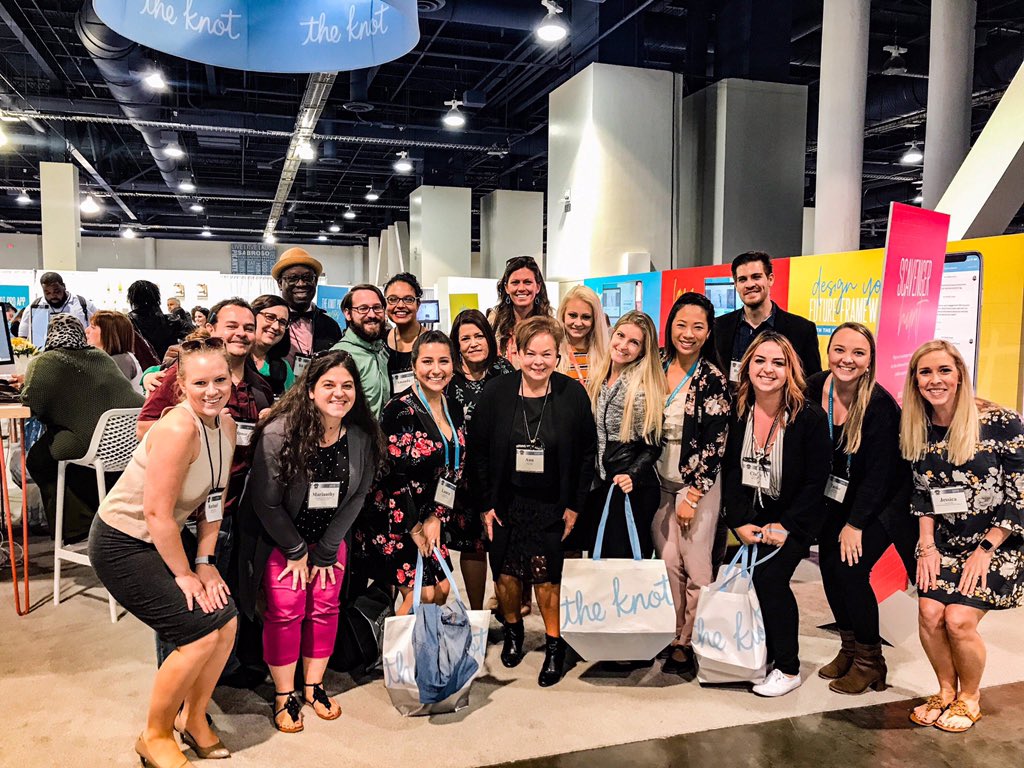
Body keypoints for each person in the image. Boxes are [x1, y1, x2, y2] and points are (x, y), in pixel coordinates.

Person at [88, 338, 238, 768]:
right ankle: (153, 734)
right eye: (200, 382)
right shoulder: (176, 429)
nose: (212, 390)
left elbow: (214, 501)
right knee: (199, 633)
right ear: (181, 387)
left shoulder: (225, 426)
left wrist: (206, 563)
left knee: (225, 623)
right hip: (123, 541)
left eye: (220, 380)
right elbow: (155, 514)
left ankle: (194, 719)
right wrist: (186, 574)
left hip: (165, 537)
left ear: (231, 379)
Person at [237, 350, 384, 733]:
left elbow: (358, 495)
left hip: (328, 539)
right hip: (281, 538)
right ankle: (284, 694)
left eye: (347, 386)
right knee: (285, 610)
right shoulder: (279, 432)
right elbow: (265, 502)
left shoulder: (361, 435)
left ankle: (313, 685)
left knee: (325, 607)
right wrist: (297, 550)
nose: (339, 393)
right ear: (311, 391)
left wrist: (326, 549)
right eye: (329, 385)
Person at [901, 340, 1024, 732]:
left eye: (944, 371)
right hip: (947, 540)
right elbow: (923, 495)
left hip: (1000, 541)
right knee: (929, 611)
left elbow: (1020, 495)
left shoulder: (1002, 422)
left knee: (957, 619)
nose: (934, 380)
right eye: (925, 372)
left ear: (959, 376)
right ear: (915, 380)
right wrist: (926, 547)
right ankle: (944, 690)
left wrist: (986, 549)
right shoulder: (918, 424)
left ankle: (970, 696)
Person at [468, 315, 597, 687]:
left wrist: (575, 504)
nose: (538, 361)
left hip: (552, 503)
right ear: (517, 354)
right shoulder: (497, 392)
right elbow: (477, 451)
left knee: (546, 576)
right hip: (506, 500)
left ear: (558, 355)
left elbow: (588, 452)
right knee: (506, 575)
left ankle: (555, 646)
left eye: (547, 354)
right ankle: (513, 631)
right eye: (531, 353)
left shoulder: (572, 394)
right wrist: (486, 504)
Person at [806, 323, 915, 695]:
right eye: (839, 350)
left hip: (882, 502)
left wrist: (855, 524)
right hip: (835, 497)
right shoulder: (813, 387)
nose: (846, 359)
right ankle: (849, 648)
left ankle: (871, 662)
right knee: (830, 571)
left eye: (857, 353)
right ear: (828, 352)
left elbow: (882, 475)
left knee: (851, 571)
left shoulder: (880, 406)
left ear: (870, 361)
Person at [722, 331, 831, 697]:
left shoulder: (810, 417)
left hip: (794, 519)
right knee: (740, 577)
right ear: (747, 365)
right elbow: (731, 472)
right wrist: (738, 521)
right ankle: (759, 653)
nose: (768, 369)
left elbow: (817, 482)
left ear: (791, 370)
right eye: (760, 361)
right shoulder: (737, 411)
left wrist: (785, 526)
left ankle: (788, 667)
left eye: (778, 362)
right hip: (751, 514)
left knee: (770, 579)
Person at [652, 293, 730, 676]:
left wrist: (694, 494)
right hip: (660, 484)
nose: (688, 333)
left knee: (697, 569)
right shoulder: (657, 366)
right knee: (668, 563)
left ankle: (691, 640)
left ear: (708, 331)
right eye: (681, 324)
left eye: (698, 326)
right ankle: (672, 632)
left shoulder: (711, 379)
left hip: (696, 486)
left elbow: (717, 443)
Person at [362, 330, 467, 615]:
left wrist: (437, 516)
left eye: (444, 361)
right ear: (414, 365)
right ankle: (399, 656)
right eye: (427, 362)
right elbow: (391, 476)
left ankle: (423, 649)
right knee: (422, 594)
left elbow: (455, 467)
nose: (436, 370)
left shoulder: (454, 408)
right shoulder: (399, 410)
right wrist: (416, 527)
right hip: (397, 516)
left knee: (443, 590)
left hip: (431, 512)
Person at [20, 314, 144, 542]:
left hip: (93, 446)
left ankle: (75, 528)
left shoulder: (45, 361)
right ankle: (93, 520)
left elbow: (34, 402)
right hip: (128, 443)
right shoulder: (100, 357)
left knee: (39, 458)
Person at [445, 309, 515, 609]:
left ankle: (507, 611)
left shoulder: (505, 371)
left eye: (479, 336)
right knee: (472, 546)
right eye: (465, 338)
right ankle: (476, 614)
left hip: (502, 474)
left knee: (503, 543)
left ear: (489, 338)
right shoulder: (448, 375)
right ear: (456, 344)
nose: (473, 343)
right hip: (463, 478)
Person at [584, 310, 665, 560]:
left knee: (623, 563)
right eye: (620, 335)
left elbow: (653, 444)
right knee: (602, 559)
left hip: (631, 488)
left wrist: (632, 474)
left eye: (634, 342)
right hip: (603, 484)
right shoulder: (601, 375)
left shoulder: (642, 388)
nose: (623, 345)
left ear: (643, 350)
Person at [714, 252, 820, 386]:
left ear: (770, 279)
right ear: (736, 284)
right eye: (742, 279)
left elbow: (812, 383)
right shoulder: (718, 326)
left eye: (756, 277)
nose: (750, 284)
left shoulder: (802, 330)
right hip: (731, 406)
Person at [268, 248, 342, 375]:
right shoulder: (268, 323)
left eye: (307, 278)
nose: (301, 284)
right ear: (280, 283)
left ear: (316, 282)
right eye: (292, 278)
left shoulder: (330, 326)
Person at [332, 284, 389, 418]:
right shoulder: (338, 357)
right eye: (362, 309)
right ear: (348, 313)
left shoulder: (381, 350)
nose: (372, 314)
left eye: (377, 308)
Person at [489, 255, 552, 368]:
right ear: (506, 287)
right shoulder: (494, 322)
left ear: (538, 287)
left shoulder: (549, 324)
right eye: (515, 282)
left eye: (527, 282)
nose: (521, 288)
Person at [18, 271, 97, 347]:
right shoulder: (34, 307)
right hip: (45, 356)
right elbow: (22, 338)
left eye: (56, 291)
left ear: (64, 286)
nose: (52, 296)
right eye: (47, 293)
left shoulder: (83, 304)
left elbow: (101, 330)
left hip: (80, 355)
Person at [383, 272, 426, 396]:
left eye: (408, 299)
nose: (400, 305)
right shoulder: (379, 343)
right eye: (393, 299)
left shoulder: (434, 342)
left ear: (418, 305)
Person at [556, 285, 608, 384]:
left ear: (595, 320)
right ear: (563, 314)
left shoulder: (605, 355)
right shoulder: (553, 353)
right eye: (573, 315)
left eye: (586, 317)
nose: (578, 323)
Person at [127, 280, 188, 360]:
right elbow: (194, 334)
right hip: (168, 364)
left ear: (132, 299)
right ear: (156, 297)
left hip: (141, 365)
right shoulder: (171, 320)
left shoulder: (128, 321)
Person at [86, 310, 144, 389]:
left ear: (108, 334)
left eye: (93, 327)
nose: (87, 330)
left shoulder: (121, 361)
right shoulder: (113, 358)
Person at [251, 295, 295, 396]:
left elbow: (292, 405)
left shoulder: (283, 367)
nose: (276, 327)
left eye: (282, 322)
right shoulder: (234, 357)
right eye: (270, 317)